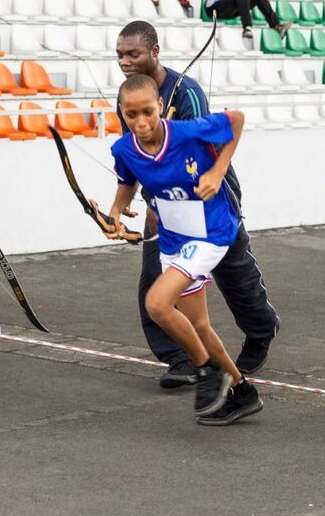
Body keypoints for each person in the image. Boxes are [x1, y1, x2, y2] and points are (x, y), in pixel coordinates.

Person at [115, 20, 280, 389]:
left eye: (134, 54)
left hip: (208, 198)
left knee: (234, 273)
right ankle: (180, 356)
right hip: (164, 205)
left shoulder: (186, 93)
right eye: (120, 55)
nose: (125, 61)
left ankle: (260, 331)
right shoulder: (129, 96)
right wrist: (145, 200)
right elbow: (138, 154)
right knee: (153, 282)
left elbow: (199, 148)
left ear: (154, 52)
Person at [107, 74, 262, 426]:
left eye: (148, 111)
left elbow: (236, 119)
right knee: (199, 325)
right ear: (122, 113)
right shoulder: (124, 149)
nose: (142, 122)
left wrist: (218, 171)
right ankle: (242, 392)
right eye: (132, 115)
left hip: (211, 232)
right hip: (174, 237)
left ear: (160, 106)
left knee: (157, 303)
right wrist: (116, 212)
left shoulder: (189, 132)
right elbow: (126, 181)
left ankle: (207, 371)